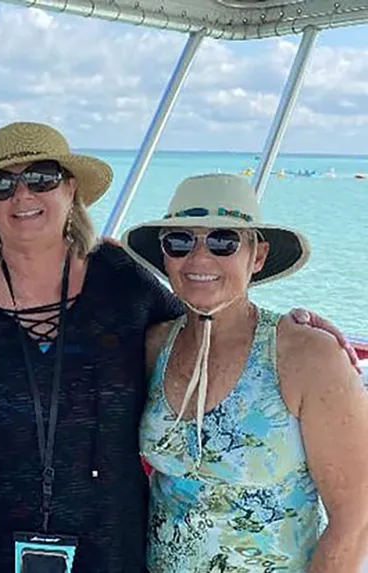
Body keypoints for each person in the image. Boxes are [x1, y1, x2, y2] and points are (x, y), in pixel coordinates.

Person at [0, 122, 357, 573]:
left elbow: (205, 308)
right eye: (2, 184)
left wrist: (292, 328)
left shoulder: (121, 277)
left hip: (106, 545)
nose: (23, 195)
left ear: (70, 190)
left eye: (42, 178)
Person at [125, 173, 368, 572]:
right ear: (165, 256)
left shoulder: (306, 356)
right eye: (180, 241)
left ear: (257, 256)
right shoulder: (154, 348)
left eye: (223, 241)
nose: (200, 258)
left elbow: (354, 521)